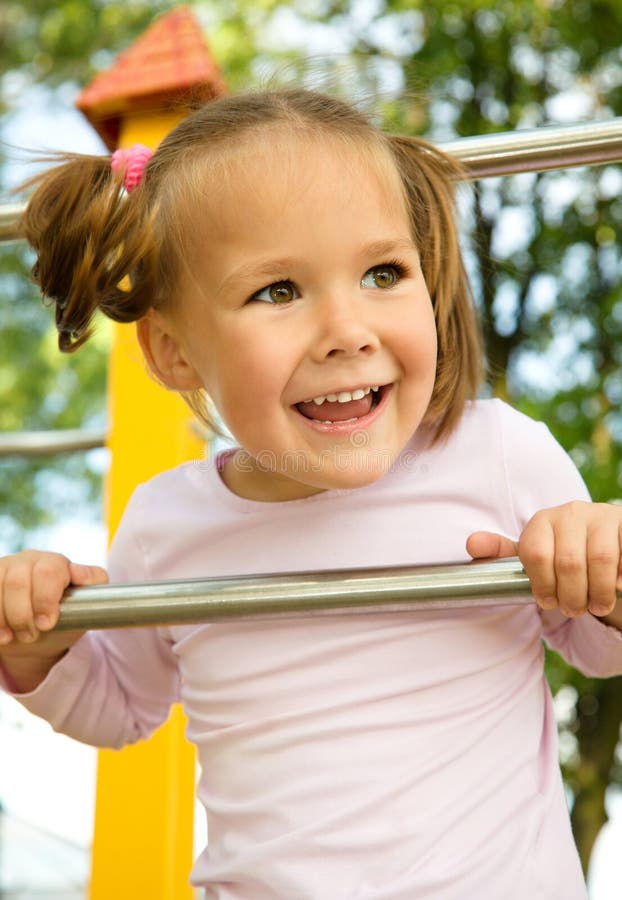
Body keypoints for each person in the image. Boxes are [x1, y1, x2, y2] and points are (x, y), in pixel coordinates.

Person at [1, 88, 621, 900]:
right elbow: (122, 706)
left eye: (382, 273)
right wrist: (37, 643)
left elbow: (601, 650)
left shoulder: (497, 455)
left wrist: (601, 566)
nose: (347, 329)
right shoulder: (168, 524)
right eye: (279, 291)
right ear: (174, 353)